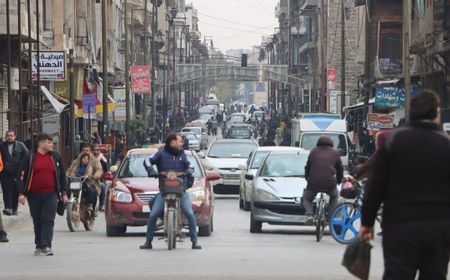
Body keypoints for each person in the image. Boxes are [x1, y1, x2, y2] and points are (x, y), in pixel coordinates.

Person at [360, 90, 450, 279]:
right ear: (435, 114)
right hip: (439, 228)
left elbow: (376, 185)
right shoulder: (446, 144)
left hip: (400, 226)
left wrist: (367, 222)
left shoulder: (394, 140)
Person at [140, 134, 201, 250]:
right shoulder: (161, 153)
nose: (181, 143)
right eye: (179, 141)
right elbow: (147, 161)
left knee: (190, 214)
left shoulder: (182, 154)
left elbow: (191, 166)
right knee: (153, 214)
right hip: (164, 191)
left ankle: (194, 241)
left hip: (181, 191)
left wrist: (189, 170)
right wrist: (151, 170)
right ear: (172, 142)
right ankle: (148, 241)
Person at [17, 133, 68, 256]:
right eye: (49, 142)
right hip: (33, 195)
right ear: (41, 143)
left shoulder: (55, 157)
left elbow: (62, 176)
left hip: (51, 194)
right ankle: (39, 245)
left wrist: (64, 192)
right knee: (37, 220)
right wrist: (21, 193)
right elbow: (21, 175)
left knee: (48, 219)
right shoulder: (30, 157)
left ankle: (46, 245)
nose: (52, 145)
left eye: (52, 143)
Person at [303, 136, 343, 225]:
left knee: (306, 198)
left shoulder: (313, 152)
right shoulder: (335, 153)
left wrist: (307, 177)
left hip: (313, 182)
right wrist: (339, 180)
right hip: (330, 183)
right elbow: (340, 169)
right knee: (334, 197)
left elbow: (308, 167)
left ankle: (309, 215)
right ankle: (331, 216)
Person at [68, 144, 103, 212]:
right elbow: (70, 170)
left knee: (93, 191)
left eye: (87, 150)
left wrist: (95, 176)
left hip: (90, 182)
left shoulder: (95, 161)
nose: (85, 152)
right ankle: (69, 204)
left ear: (90, 151)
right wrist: (69, 175)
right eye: (83, 150)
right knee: (67, 188)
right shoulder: (76, 161)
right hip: (76, 181)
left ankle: (92, 206)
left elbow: (99, 170)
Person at [1, 130, 29, 216]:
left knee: (16, 190)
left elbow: (27, 155)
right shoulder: (1, 145)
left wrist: (23, 167)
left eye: (11, 135)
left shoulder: (20, 145)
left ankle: (14, 209)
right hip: (5, 172)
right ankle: (8, 208)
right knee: (7, 190)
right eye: (8, 136)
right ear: (6, 137)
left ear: (15, 136)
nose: (10, 137)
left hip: (17, 171)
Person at [91, 144, 108, 211]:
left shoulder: (103, 160)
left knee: (103, 186)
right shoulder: (87, 158)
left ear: (99, 151)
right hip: (87, 179)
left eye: (97, 150)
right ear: (91, 150)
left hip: (98, 180)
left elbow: (106, 171)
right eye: (94, 150)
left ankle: (102, 205)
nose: (95, 152)